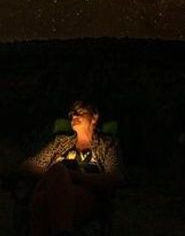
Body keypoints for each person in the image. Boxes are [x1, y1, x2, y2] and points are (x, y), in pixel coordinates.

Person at [21, 100, 125, 236]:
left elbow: (115, 177)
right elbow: (29, 165)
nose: (74, 115)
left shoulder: (106, 145)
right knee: (57, 171)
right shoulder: (61, 142)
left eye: (80, 112)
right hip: (55, 190)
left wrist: (77, 176)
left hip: (85, 195)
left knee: (41, 200)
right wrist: (57, 176)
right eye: (71, 113)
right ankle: (63, 231)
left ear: (94, 117)